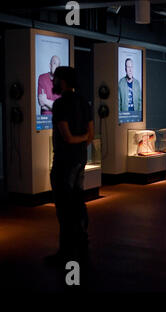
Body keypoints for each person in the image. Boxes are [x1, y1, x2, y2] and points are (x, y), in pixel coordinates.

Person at [47, 66, 94, 264]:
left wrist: (77, 138)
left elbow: (67, 137)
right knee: (77, 201)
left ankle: (65, 252)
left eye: (56, 79)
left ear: (63, 81)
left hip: (64, 162)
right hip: (80, 159)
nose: (54, 82)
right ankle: (81, 244)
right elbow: (90, 136)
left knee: (64, 208)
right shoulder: (84, 102)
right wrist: (82, 138)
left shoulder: (59, 105)